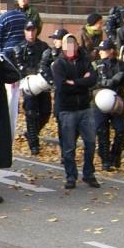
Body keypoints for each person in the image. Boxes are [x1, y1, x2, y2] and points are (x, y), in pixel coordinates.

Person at [51, 34, 99, 189]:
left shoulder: (85, 61)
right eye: (67, 45)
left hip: (85, 107)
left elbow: (92, 79)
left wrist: (75, 83)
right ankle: (71, 175)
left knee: (90, 143)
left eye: (73, 44)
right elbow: (62, 86)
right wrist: (81, 83)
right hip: (67, 110)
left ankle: (89, 174)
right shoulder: (58, 64)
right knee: (69, 145)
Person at [0, 0, 27, 139]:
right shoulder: (23, 16)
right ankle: (12, 127)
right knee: (16, 94)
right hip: (21, 59)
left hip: (7, 60)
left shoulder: (1, 19)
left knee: (9, 96)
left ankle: (7, 133)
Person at [15, 21, 51, 155]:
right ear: (24, 31)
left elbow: (48, 62)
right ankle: (34, 144)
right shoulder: (20, 48)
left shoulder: (43, 46)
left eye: (33, 30)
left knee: (46, 113)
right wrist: (34, 71)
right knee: (31, 114)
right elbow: (19, 67)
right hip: (28, 84)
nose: (31, 33)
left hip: (42, 83)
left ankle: (31, 133)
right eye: (28, 30)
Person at [92, 39, 124, 171]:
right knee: (102, 131)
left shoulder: (122, 66)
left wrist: (122, 78)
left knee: (121, 130)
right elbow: (90, 82)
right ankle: (105, 159)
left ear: (111, 50)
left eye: (103, 50)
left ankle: (115, 155)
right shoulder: (95, 65)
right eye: (99, 50)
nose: (100, 52)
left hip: (117, 102)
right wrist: (106, 83)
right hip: (100, 101)